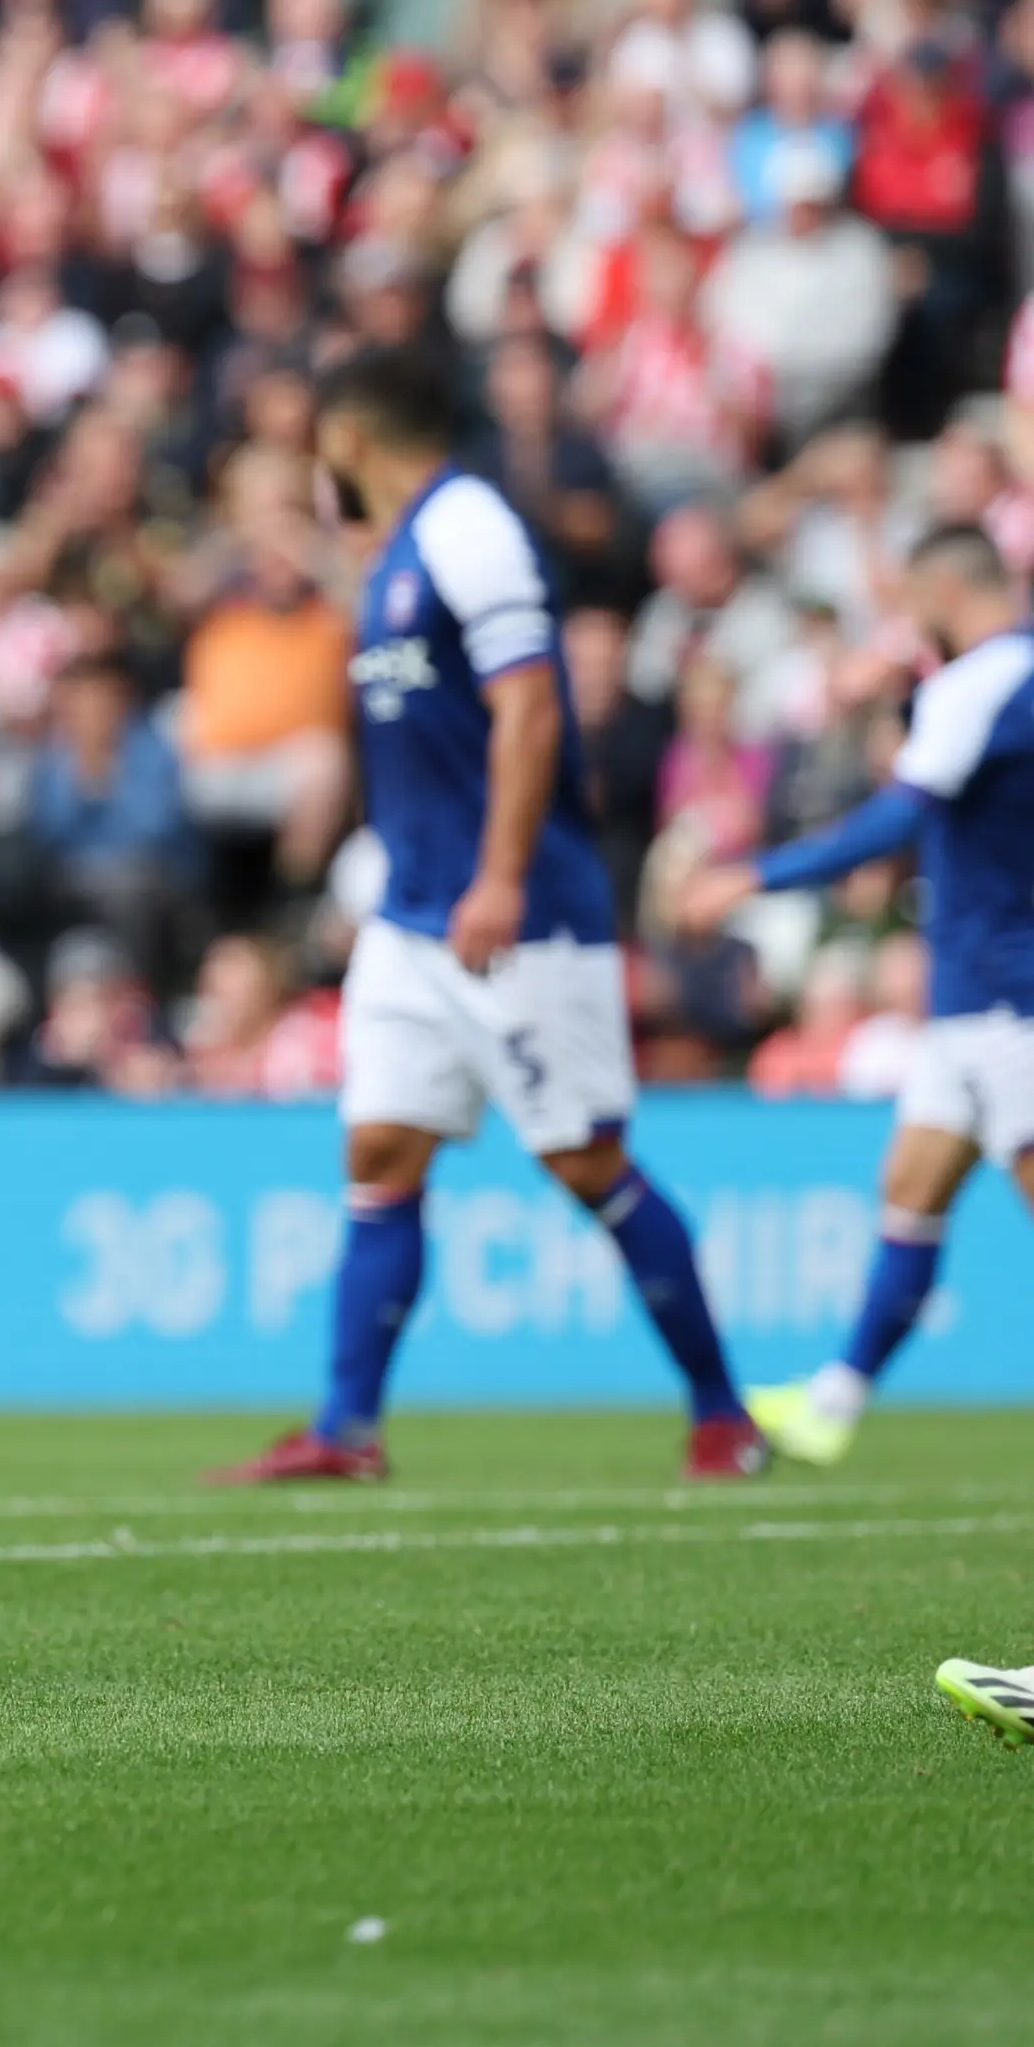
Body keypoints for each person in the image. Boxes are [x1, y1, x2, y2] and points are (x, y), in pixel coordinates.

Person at [214, 349, 763, 1486]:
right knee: (379, 1149)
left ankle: (724, 1415)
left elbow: (527, 709)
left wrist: (502, 875)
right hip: (414, 920)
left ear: (353, 439)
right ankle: (346, 1429)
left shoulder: (471, 528)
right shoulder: (402, 553)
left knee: (586, 1160)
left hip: (513, 918)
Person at [681, 530, 1034, 1468]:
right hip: (969, 1002)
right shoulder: (995, 684)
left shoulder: (983, 682)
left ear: (943, 590)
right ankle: (835, 1402)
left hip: (1009, 1002)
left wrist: (753, 874)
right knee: (912, 1189)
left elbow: (898, 814)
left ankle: (835, 1398)